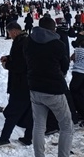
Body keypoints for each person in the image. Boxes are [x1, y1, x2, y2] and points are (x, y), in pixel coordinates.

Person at [25, 15, 73, 157]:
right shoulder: (58, 44)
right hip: (54, 90)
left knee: (39, 126)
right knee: (66, 126)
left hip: (34, 87)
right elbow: (65, 66)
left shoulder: (28, 41)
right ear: (53, 30)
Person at [0, 22, 33, 148]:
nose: (9, 36)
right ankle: (28, 137)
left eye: (9, 33)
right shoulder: (24, 40)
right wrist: (8, 58)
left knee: (12, 112)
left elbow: (21, 65)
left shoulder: (21, 42)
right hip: (26, 83)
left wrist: (6, 65)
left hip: (21, 83)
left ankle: (4, 138)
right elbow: (19, 58)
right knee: (29, 111)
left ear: (14, 31)